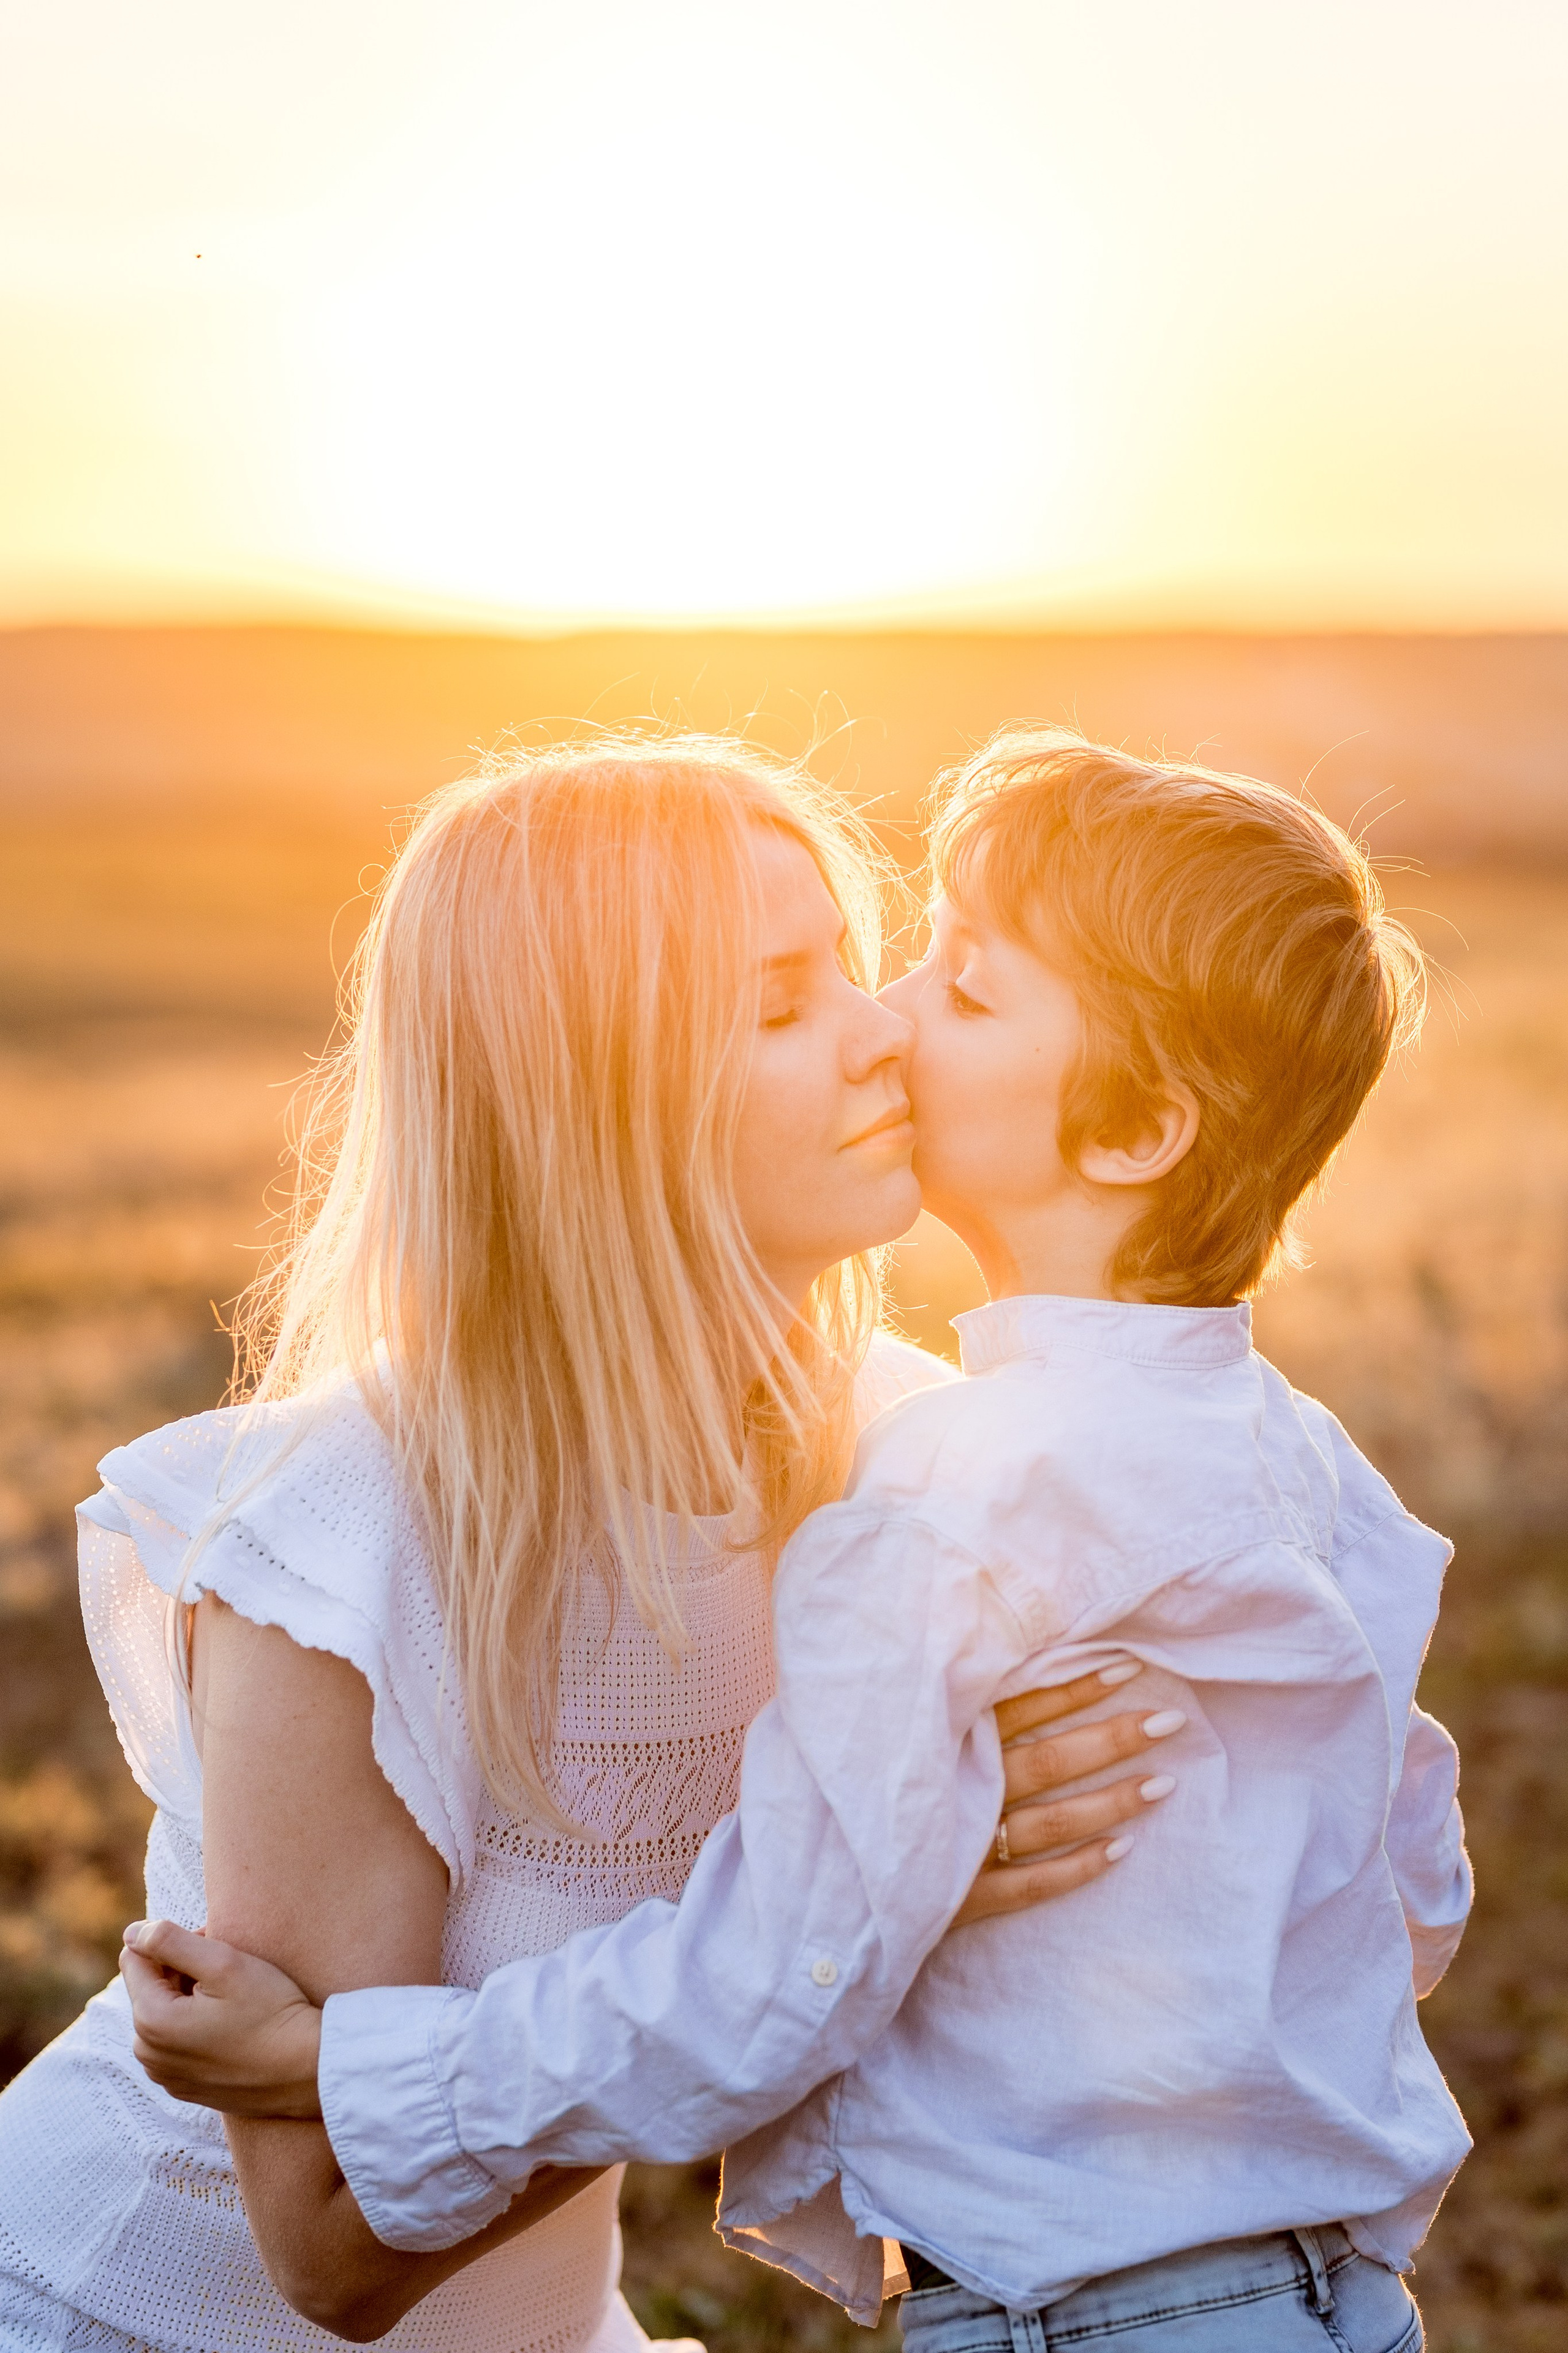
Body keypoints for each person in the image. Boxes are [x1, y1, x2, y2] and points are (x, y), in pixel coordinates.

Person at [128, 730, 1473, 2353]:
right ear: (595, 1094)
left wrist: (899, 1903)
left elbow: (786, 1973)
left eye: (936, 982)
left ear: (1133, 1133)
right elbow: (1411, 1874)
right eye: (787, 1002)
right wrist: (930, 1885)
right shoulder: (1296, 1455)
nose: (885, 1025)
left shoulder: (917, 1476)